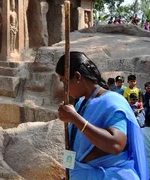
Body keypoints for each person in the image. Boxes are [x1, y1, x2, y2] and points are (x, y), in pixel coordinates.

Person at [56, 51, 148, 179]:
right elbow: (76, 147)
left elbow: (116, 145)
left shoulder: (112, 101)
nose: (64, 88)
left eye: (64, 82)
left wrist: (75, 119)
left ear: (77, 77)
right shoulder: (81, 103)